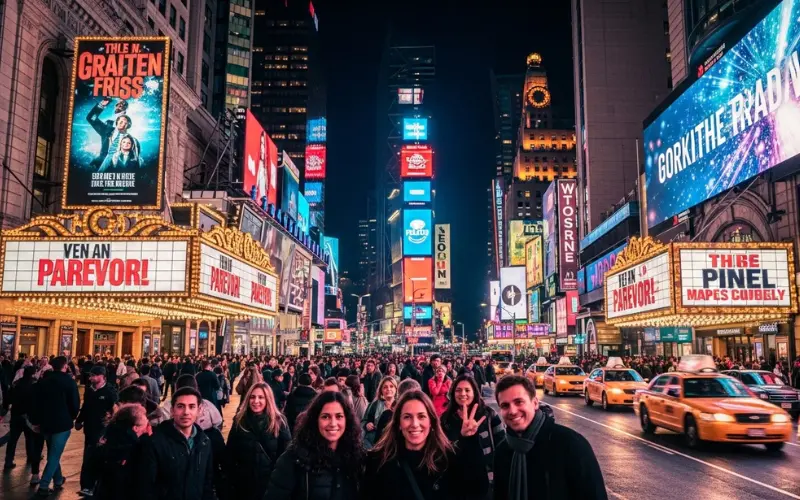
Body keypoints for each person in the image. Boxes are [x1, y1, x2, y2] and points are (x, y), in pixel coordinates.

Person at [493, 375, 606, 500]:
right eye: (505, 406)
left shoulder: (571, 444)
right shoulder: (502, 451)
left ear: (535, 403)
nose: (512, 411)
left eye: (519, 402)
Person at [362, 390, 489, 499]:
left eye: (421, 416)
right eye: (407, 417)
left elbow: (477, 489)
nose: (415, 424)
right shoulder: (379, 461)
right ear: (399, 423)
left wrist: (470, 441)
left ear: (431, 422)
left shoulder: (448, 458)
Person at [265, 391, 362, 500]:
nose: (333, 423)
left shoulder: (357, 457)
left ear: (347, 420)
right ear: (315, 420)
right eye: (325, 417)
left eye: (339, 416)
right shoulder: (295, 458)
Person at [137, 387, 215, 500]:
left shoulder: (204, 442)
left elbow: (207, 483)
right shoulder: (155, 441)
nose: (186, 412)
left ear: (199, 410)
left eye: (192, 406)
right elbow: (146, 486)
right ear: (172, 410)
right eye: (180, 406)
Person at [441, 375, 504, 497]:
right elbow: (442, 452)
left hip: (486, 480)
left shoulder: (489, 415)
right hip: (457, 481)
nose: (462, 394)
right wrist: (462, 437)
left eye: (467, 390)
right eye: (458, 390)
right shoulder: (446, 419)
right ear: (453, 393)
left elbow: (502, 444)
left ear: (474, 392)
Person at [226, 382, 291, 500]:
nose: (256, 401)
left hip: (270, 485)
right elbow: (230, 453)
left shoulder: (279, 422)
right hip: (244, 485)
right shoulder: (240, 420)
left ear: (268, 399)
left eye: (261, 397)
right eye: (252, 397)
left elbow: (286, 455)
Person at [30, 356, 80, 497]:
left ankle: (58, 480)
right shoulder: (69, 382)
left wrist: (36, 421)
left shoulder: (43, 382)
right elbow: (74, 404)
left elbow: (36, 403)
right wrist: (72, 416)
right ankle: (44, 485)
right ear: (64, 366)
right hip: (62, 422)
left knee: (53, 452)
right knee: (54, 454)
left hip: (46, 422)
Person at [92, 404, 151, 500]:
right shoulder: (137, 449)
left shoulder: (109, 440)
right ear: (135, 428)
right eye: (147, 425)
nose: (149, 427)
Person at [75, 365, 118, 496]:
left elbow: (116, 410)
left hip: (101, 431)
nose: (91, 377)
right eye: (91, 375)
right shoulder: (89, 390)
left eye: (94, 375)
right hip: (89, 428)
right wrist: (79, 420)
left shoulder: (110, 391)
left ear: (102, 376)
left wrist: (110, 424)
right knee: (88, 457)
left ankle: (92, 485)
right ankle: (87, 485)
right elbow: (85, 407)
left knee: (95, 457)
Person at [3, 365, 45, 486]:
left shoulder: (17, 384)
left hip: (16, 415)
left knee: (13, 439)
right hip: (28, 416)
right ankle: (30, 457)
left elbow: (8, 398)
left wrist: (7, 409)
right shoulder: (34, 386)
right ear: (33, 374)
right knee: (30, 438)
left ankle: (8, 460)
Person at [362, 376, 398, 449]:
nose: (388, 389)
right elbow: (364, 421)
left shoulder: (400, 405)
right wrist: (367, 424)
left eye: (391, 386)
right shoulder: (374, 404)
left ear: (396, 389)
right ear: (381, 390)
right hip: (374, 442)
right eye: (385, 387)